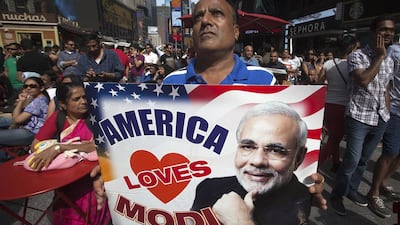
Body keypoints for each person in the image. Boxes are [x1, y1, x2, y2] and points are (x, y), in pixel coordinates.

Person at [91, 0, 326, 212]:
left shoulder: (264, 81)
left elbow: (285, 146)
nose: (205, 21)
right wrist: (114, 170)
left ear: (235, 31)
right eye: (198, 17)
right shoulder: (173, 82)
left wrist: (304, 187)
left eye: (216, 14)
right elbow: (154, 142)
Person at [192, 101, 311, 225]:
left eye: (275, 150)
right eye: (248, 147)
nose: (257, 161)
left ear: (299, 157)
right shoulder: (208, 188)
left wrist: (240, 221)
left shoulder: (305, 202)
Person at [330, 15, 395, 217]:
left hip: (380, 118)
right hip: (358, 117)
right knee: (351, 159)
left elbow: (386, 87)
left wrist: (386, 110)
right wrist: (379, 57)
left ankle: (352, 190)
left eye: (391, 30)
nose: (388, 33)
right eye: (384, 29)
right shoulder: (357, 56)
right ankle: (336, 196)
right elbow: (364, 80)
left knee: (364, 161)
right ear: (373, 32)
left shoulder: (390, 60)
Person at [29, 81, 111, 225]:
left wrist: (61, 147)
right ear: (63, 104)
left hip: (91, 181)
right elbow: (36, 145)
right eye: (76, 99)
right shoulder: (58, 118)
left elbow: (98, 146)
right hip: (66, 182)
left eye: (84, 97)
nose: (83, 102)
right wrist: (50, 150)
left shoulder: (96, 116)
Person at [366, 40, 400, 218]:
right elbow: (384, 78)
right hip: (395, 110)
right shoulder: (394, 51)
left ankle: (384, 183)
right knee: (390, 152)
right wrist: (384, 108)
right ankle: (374, 193)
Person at [318, 35, 359, 172]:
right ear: (351, 48)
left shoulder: (328, 64)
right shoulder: (353, 65)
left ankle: (336, 162)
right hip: (343, 106)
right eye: (357, 48)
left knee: (333, 136)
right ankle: (314, 167)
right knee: (334, 140)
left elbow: (319, 83)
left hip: (328, 104)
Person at [0, 77, 49, 146]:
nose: (28, 88)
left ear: (41, 88)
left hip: (32, 133)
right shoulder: (37, 98)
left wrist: (21, 101)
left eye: (32, 86)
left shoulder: (38, 102)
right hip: (28, 128)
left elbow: (16, 120)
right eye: (26, 86)